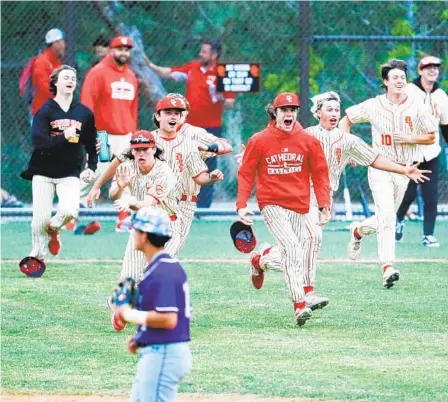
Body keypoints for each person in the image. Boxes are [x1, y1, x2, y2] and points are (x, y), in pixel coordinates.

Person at [236, 91, 430, 309]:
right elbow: (271, 143)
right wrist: (248, 157)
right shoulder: (305, 134)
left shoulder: (348, 141)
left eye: (337, 109)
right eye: (329, 109)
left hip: (322, 196)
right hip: (299, 194)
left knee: (300, 248)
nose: (334, 113)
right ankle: (307, 292)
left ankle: (262, 260)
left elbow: (374, 159)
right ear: (318, 113)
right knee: (312, 238)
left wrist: (403, 169)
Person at [339, 59, 438, 288]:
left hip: (405, 170)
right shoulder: (374, 105)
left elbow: (432, 135)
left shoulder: (416, 105)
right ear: (386, 82)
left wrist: (411, 139)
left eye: (402, 77)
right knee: (387, 217)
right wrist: (348, 148)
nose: (400, 80)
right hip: (380, 167)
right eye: (395, 77)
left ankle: (357, 230)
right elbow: (347, 120)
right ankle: (387, 267)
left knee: (386, 218)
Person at [87, 95, 225, 257]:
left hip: (185, 202)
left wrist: (208, 149)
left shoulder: (193, 135)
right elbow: (119, 160)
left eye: (179, 111)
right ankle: (142, 275)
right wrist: (97, 185)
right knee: (150, 254)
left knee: (168, 252)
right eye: (169, 112)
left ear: (185, 114)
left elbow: (225, 147)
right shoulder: (148, 140)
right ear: (159, 115)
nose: (174, 115)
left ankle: (148, 275)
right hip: (156, 200)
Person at [236, 92, 331, 326]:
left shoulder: (308, 140)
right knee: (291, 248)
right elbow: (246, 173)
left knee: (294, 255)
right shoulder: (259, 140)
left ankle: (261, 260)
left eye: (293, 110)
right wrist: (241, 204)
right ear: (275, 113)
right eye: (284, 110)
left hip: (299, 204)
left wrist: (323, 205)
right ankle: (299, 305)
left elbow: (320, 174)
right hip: (271, 203)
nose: (288, 114)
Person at [111, 206, 192, 402]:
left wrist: (127, 314)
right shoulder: (159, 267)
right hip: (160, 350)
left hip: (165, 353)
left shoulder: (162, 270)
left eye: (135, 230)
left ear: (145, 235)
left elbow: (168, 319)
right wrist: (141, 337)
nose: (132, 235)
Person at [144, 39, 235, 208]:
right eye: (201, 51)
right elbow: (169, 73)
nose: (201, 54)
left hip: (212, 127)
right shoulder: (193, 68)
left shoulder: (222, 73)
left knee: (208, 164)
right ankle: (181, 200)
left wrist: (219, 96)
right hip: (190, 127)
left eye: (204, 52)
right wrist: (150, 65)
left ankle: (204, 206)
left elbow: (230, 103)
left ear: (214, 55)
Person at [20, 65, 98, 262]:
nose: (70, 80)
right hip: (43, 171)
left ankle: (53, 229)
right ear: (55, 82)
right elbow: (40, 142)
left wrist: (91, 167)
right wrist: (64, 135)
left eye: (73, 77)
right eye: (65, 77)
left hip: (69, 171)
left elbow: (91, 142)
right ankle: (37, 257)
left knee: (70, 211)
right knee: (38, 221)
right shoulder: (45, 111)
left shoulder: (83, 113)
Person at [109, 130, 177, 331]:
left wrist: (129, 201)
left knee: (154, 274)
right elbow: (113, 194)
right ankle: (120, 311)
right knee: (128, 277)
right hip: (141, 227)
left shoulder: (164, 172)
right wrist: (120, 188)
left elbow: (147, 204)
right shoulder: (127, 167)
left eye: (145, 149)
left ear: (154, 149)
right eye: (136, 149)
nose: (141, 153)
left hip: (166, 227)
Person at [80, 35, 138, 230]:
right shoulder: (98, 73)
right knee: (97, 172)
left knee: (125, 175)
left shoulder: (131, 76)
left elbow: (133, 109)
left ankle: (123, 219)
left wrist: (133, 135)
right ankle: (73, 210)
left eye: (127, 49)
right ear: (111, 51)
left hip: (125, 136)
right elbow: (87, 103)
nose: (123, 53)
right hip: (102, 135)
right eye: (119, 49)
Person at [396, 55, 448, 247]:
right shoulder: (409, 90)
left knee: (431, 195)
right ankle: (398, 220)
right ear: (420, 70)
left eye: (436, 67)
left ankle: (428, 235)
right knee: (407, 194)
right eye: (428, 67)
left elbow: (445, 125)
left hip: (431, 152)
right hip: (409, 152)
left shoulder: (441, 96)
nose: (432, 70)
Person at [31, 28, 65, 116]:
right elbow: (43, 86)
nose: (64, 45)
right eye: (62, 42)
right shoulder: (42, 61)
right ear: (55, 43)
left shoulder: (56, 63)